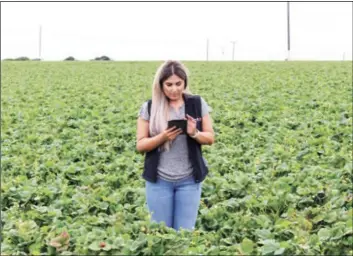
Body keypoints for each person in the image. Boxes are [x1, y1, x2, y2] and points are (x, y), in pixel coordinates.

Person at [136, 60, 215, 231]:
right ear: (161, 85)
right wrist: (162, 137)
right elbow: (140, 145)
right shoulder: (150, 107)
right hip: (159, 181)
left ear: (185, 82)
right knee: (161, 234)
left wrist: (194, 133)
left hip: (189, 180)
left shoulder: (196, 104)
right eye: (169, 84)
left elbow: (210, 138)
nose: (174, 89)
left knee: (184, 235)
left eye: (178, 83)